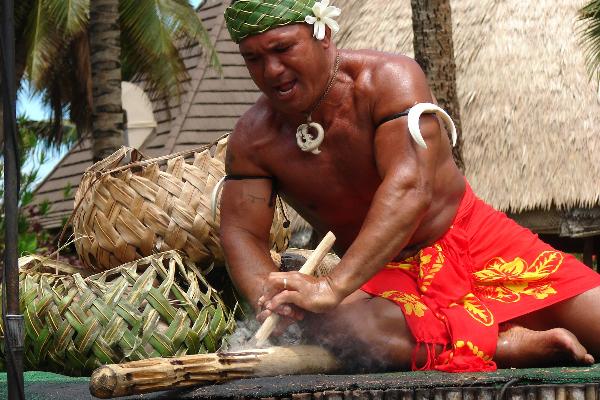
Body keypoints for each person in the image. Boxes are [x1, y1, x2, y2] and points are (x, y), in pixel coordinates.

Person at [219, 0, 600, 372]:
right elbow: (241, 231)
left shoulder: (389, 80)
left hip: (474, 241)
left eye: (283, 49)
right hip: (380, 274)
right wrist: (269, 299)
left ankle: (484, 333)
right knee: (335, 327)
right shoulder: (253, 140)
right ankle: (506, 345)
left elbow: (408, 190)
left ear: (324, 34)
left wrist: (333, 286)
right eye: (253, 59)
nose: (271, 70)